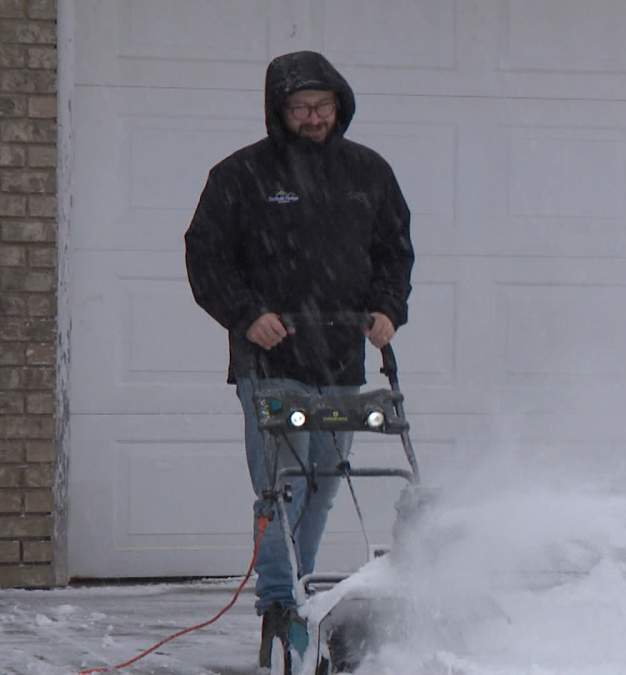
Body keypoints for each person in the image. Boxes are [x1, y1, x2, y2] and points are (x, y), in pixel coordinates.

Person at [183, 50, 413, 666]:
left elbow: (395, 250)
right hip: (272, 357)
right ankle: (281, 603)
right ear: (279, 111)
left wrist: (389, 309)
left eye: (323, 106)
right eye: (300, 108)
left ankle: (301, 590)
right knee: (281, 488)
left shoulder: (369, 172)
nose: (313, 118)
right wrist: (247, 313)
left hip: (340, 355)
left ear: (340, 104)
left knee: (324, 484)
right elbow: (206, 255)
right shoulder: (242, 176)